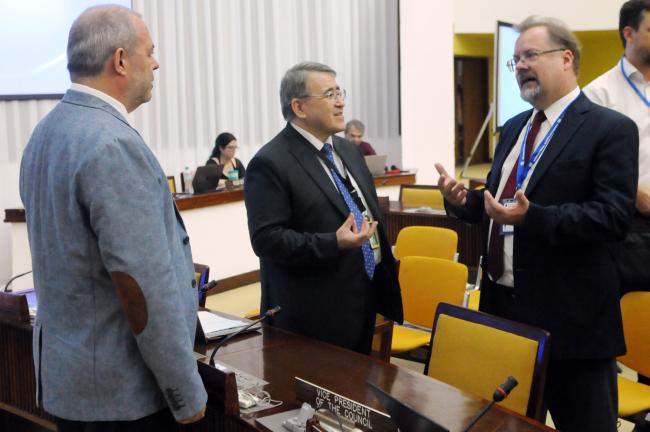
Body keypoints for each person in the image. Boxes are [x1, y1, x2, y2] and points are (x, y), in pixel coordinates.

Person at [435, 16, 638, 432]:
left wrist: (535, 218)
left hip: (571, 321)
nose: (521, 66)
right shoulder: (512, 129)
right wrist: (465, 201)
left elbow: (613, 217)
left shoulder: (609, 129)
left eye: (531, 55)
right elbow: (499, 206)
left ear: (566, 58)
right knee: (511, 425)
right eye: (515, 60)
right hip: (504, 313)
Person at [19, 5, 206, 430]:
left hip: (71, 384)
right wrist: (184, 390)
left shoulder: (45, 134)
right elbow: (141, 288)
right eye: (150, 51)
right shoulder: (112, 144)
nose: (156, 62)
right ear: (121, 60)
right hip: (124, 397)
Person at [244, 62, 403, 354]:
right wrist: (334, 242)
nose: (341, 102)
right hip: (313, 314)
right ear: (299, 107)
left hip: (362, 296)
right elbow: (267, 240)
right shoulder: (270, 162)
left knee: (358, 391)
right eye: (329, 94)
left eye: (340, 92)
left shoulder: (347, 150)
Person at [584, 0, 650, 387]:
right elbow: (594, 169)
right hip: (628, 227)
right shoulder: (600, 93)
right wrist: (635, 194)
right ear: (629, 33)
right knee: (626, 326)